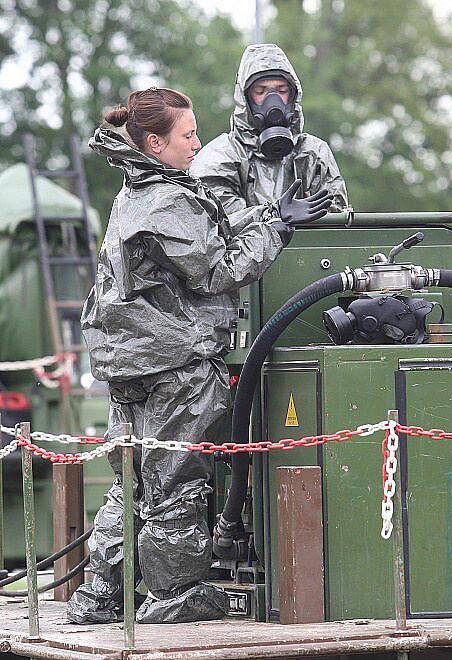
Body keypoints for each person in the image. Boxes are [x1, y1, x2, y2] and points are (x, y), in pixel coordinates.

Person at [66, 87, 335, 624]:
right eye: (187, 134)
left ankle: (102, 592)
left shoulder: (139, 191)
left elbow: (203, 237)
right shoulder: (165, 200)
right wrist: (278, 229)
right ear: (153, 141)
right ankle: (173, 595)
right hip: (174, 364)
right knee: (175, 480)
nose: (195, 143)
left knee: (132, 478)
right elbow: (219, 269)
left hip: (134, 363)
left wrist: (266, 214)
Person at [191, 43, 348, 214]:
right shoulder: (219, 158)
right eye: (260, 91)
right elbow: (221, 223)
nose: (272, 101)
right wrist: (277, 214)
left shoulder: (314, 154)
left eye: (281, 90)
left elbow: (335, 222)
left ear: (292, 96)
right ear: (245, 100)